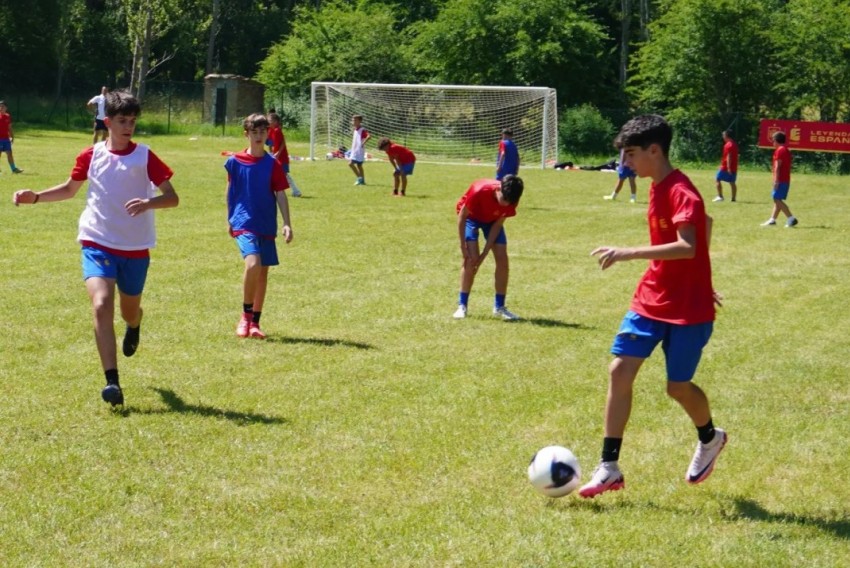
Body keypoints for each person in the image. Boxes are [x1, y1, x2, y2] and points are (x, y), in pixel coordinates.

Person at [580, 114, 726, 498]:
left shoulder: (682, 191)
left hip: (687, 310)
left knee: (677, 388)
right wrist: (701, 275)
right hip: (651, 296)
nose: (625, 163)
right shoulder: (656, 185)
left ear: (654, 150)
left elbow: (688, 244)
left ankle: (710, 438)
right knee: (619, 370)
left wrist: (627, 252)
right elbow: (705, 224)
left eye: (630, 155)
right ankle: (609, 466)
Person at [12, 90, 179, 407]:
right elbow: (69, 189)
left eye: (132, 121)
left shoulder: (145, 156)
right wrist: (35, 197)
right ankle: (112, 383)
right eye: (121, 121)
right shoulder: (90, 155)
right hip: (97, 241)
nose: (128, 126)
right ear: (107, 121)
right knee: (102, 304)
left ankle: (134, 324)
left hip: (135, 249)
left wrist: (148, 203)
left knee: (129, 310)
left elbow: (172, 197)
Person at [226, 113, 293, 340]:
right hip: (244, 222)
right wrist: (230, 217)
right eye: (254, 132)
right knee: (252, 263)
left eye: (262, 132)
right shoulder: (234, 161)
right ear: (247, 134)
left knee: (262, 274)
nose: (258, 136)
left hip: (266, 222)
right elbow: (231, 190)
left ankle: (255, 323)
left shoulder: (272, 164)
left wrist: (287, 223)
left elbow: (280, 194)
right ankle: (244, 317)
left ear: (268, 134)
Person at [453, 175, 524, 321]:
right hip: (470, 218)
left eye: (509, 202)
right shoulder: (479, 190)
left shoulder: (512, 198)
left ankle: (499, 307)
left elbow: (498, 224)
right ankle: (462, 305)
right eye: (503, 200)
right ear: (498, 189)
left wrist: (485, 253)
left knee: (503, 259)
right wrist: (462, 247)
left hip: (492, 221)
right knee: (471, 260)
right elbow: (462, 216)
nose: (505, 204)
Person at [762, 131, 798, 227]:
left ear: (776, 140)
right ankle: (772, 220)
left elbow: (778, 166)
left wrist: (776, 181)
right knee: (777, 199)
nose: (772, 142)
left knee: (776, 199)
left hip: (781, 179)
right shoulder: (785, 149)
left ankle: (791, 218)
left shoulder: (780, 150)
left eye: (773, 140)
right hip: (785, 179)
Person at [268, 112, 302, 197]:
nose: (268, 122)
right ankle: (271, 190)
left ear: (275, 121)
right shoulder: (272, 130)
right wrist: (271, 152)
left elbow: (282, 143)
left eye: (270, 120)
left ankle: (296, 191)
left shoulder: (277, 131)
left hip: (281, 157)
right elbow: (270, 142)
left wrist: (277, 153)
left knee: (284, 174)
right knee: (272, 173)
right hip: (275, 155)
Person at [713, 130, 738, 202]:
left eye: (723, 135)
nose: (723, 137)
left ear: (727, 136)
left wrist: (728, 167)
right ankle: (733, 198)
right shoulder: (734, 144)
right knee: (732, 182)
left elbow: (729, 156)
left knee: (717, 179)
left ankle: (720, 196)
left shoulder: (728, 145)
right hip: (733, 167)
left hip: (726, 167)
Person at [0, 100, 24, 174]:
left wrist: (12, 137)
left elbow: (9, 127)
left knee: (9, 153)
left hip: (6, 139)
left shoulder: (7, 116)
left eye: (2, 106)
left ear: (6, 108)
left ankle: (14, 169)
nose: (1, 108)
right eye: (0, 106)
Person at [348, 115, 370, 185]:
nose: (353, 121)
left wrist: (363, 143)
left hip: (359, 151)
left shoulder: (362, 130)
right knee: (359, 166)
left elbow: (369, 136)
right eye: (353, 120)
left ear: (360, 121)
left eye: (355, 120)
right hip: (355, 150)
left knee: (350, 164)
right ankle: (362, 181)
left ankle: (359, 178)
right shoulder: (355, 129)